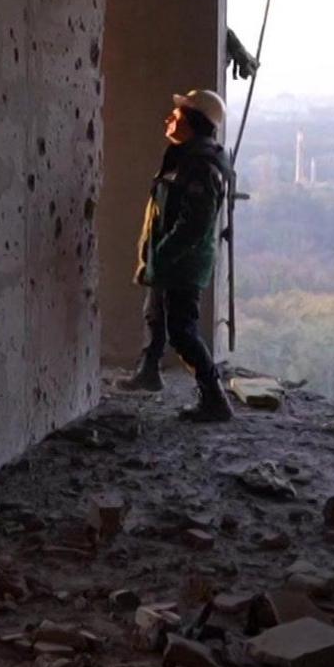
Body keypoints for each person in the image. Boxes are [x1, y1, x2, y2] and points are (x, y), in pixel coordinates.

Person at [117, 89, 235, 422]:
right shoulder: (185, 156)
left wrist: (164, 254)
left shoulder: (200, 165)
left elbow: (194, 224)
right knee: (155, 314)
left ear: (194, 122)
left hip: (182, 263)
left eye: (178, 114)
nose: (170, 118)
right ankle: (148, 372)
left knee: (182, 331)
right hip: (169, 257)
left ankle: (214, 399)